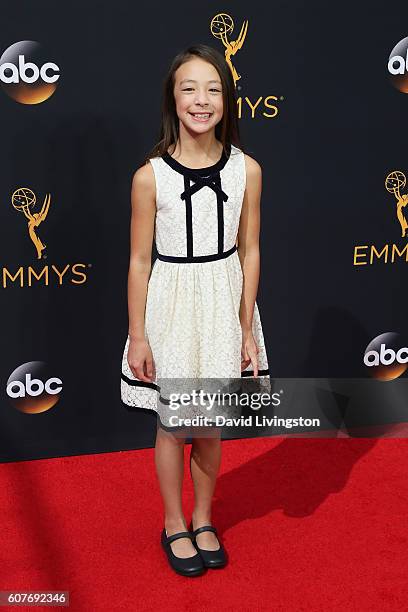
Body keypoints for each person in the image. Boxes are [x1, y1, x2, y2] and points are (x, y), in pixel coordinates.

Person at [121, 44, 270, 577]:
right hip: (172, 302)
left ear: (227, 101)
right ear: (173, 98)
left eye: (213, 89)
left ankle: (204, 518)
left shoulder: (246, 170)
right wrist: (138, 335)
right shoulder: (149, 176)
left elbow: (249, 250)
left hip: (223, 298)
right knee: (173, 424)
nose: (202, 100)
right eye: (190, 88)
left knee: (210, 424)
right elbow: (139, 261)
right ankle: (173, 523)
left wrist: (246, 326)